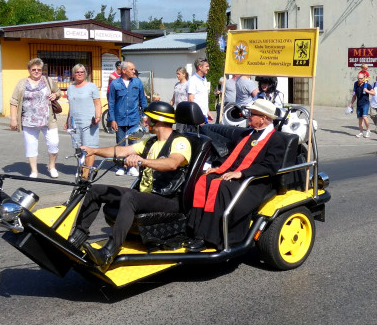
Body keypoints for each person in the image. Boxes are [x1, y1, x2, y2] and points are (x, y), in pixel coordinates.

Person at [74, 101, 193, 264]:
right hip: (146, 196)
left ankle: (108, 253)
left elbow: (172, 163)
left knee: (130, 196)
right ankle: (76, 238)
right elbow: (122, 151)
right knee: (96, 190)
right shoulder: (151, 142)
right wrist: (94, 150)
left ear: (158, 119)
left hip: (168, 198)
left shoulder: (180, 142)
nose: (145, 121)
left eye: (147, 118)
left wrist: (142, 161)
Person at [186, 99, 288, 250]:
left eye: (252, 114)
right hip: (236, 175)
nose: (248, 117)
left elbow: (269, 166)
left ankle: (211, 237)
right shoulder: (247, 134)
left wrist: (241, 173)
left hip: (256, 182)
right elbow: (233, 156)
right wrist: (218, 167)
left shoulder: (277, 139)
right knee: (205, 180)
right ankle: (194, 229)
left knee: (221, 187)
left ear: (264, 118)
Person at [9, 58, 61, 179]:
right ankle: (34, 170)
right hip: (28, 120)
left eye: (39, 69)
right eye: (34, 69)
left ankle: (52, 166)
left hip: (48, 120)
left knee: (54, 143)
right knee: (31, 145)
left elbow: (58, 91)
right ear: (29, 70)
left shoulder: (48, 80)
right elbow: (14, 101)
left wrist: (55, 95)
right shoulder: (22, 83)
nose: (36, 71)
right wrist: (13, 119)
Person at [108, 60, 149, 175]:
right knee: (120, 144)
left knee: (133, 145)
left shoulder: (137, 82)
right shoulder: (115, 84)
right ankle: (121, 166)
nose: (133, 71)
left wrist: (145, 116)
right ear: (124, 70)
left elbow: (143, 100)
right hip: (119, 118)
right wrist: (112, 119)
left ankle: (131, 167)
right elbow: (111, 102)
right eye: (131, 69)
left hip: (134, 118)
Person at [65, 64, 102, 176]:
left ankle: (86, 172)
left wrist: (98, 116)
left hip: (89, 121)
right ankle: (81, 168)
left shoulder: (91, 86)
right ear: (73, 74)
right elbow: (71, 106)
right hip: (75, 122)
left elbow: (97, 103)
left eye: (82, 72)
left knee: (89, 147)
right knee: (78, 147)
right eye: (77, 72)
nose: (79, 74)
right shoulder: (70, 88)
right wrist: (67, 121)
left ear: (85, 74)